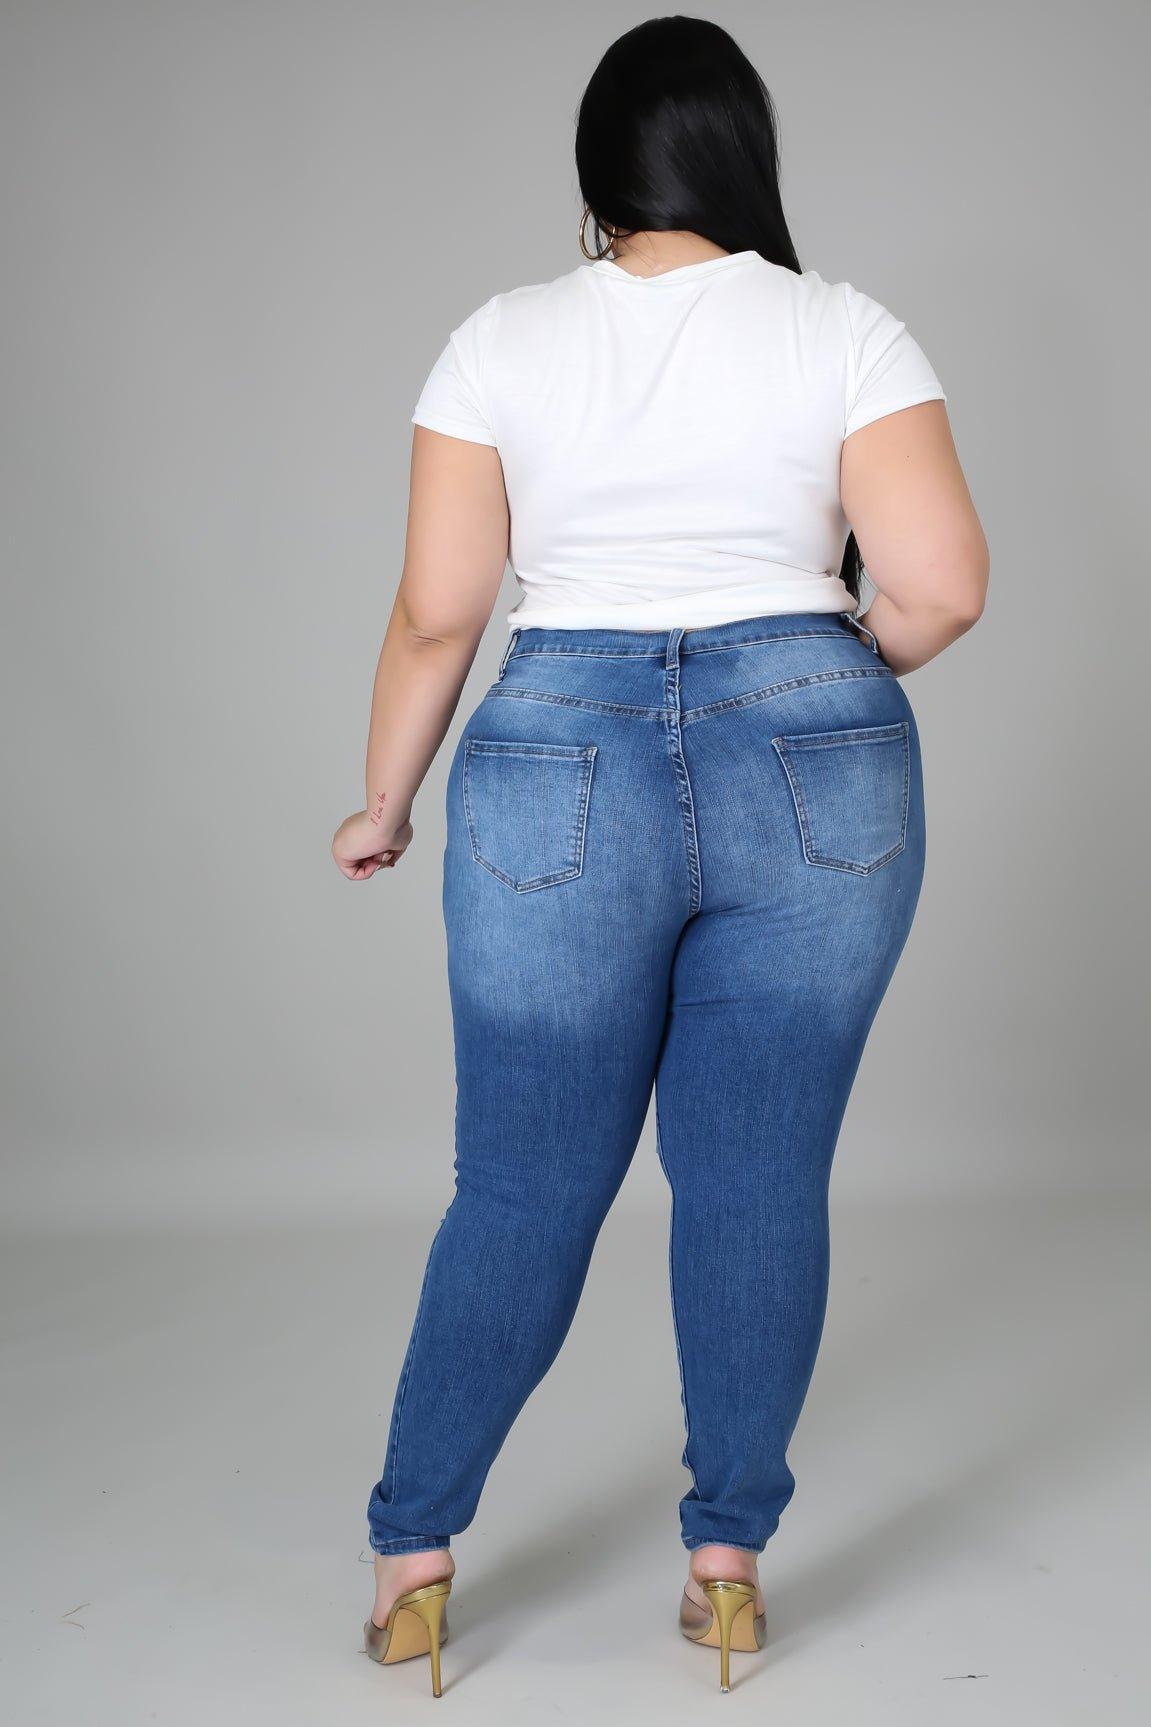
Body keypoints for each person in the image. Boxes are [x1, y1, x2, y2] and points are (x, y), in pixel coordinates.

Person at [332, 15, 989, 1698]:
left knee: (522, 1186)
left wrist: (385, 801)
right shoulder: (842, 328)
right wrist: (824, 678)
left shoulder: (500, 341)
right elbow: (939, 587)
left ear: (598, 171)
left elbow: (440, 613)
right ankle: (727, 1572)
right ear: (744, 153)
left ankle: (413, 1561)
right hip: (819, 752)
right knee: (757, 1180)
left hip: (557, 754)